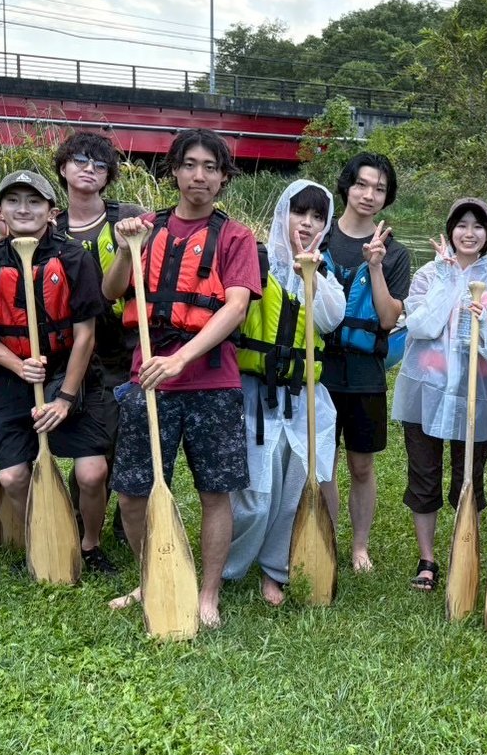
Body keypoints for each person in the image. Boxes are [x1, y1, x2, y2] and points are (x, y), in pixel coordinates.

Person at [101, 129, 259, 629]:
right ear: (173, 171)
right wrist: (125, 249)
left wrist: (181, 359)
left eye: (211, 167)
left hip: (213, 384)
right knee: (133, 493)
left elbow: (235, 307)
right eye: (189, 165)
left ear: (223, 177)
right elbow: (111, 290)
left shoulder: (236, 238)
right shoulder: (145, 228)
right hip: (147, 380)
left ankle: (208, 593)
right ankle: (150, 578)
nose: (199, 176)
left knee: (215, 492)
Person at [0, 170, 114, 571]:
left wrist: (64, 398)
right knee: (12, 477)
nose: (23, 209)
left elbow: (86, 335)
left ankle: (89, 544)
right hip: (14, 377)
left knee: (92, 473)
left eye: (34, 201)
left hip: (70, 373)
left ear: (52, 211)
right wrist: (20, 366)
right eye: (13, 201)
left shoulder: (75, 258)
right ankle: (47, 534)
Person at [223, 179, 345, 605]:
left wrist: (311, 276)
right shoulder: (254, 262)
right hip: (255, 395)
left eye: (317, 217)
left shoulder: (324, 275)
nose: (307, 224)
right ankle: (230, 564)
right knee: (255, 494)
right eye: (299, 213)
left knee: (295, 487)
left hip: (303, 398)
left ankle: (275, 570)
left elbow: (330, 319)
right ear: (283, 214)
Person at [391, 198, 487, 592]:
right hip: (424, 391)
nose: (469, 233)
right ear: (450, 231)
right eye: (461, 225)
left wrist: (485, 325)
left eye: (478, 226)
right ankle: (427, 559)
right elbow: (420, 326)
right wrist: (446, 285)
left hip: (474, 397)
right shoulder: (428, 275)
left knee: (469, 479)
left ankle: (465, 552)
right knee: (424, 475)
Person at [52, 131, 147, 552]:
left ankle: (128, 524)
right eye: (80, 160)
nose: (89, 169)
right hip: (73, 352)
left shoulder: (129, 217)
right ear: (63, 168)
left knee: (129, 438)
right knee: (91, 443)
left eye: (100, 164)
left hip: (126, 348)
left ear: (109, 176)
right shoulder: (50, 227)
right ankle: (79, 522)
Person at [317, 153, 412, 572]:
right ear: (347, 186)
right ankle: (324, 539)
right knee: (324, 463)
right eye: (362, 184)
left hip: (364, 372)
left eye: (379, 189)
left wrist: (375, 266)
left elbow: (389, 319)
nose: (369, 194)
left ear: (387, 197)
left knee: (361, 464)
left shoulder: (395, 254)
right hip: (319, 368)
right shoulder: (318, 238)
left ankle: (359, 547)